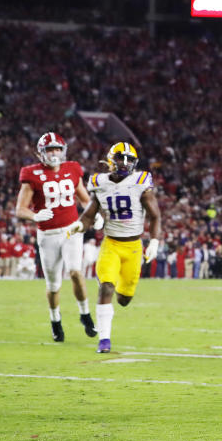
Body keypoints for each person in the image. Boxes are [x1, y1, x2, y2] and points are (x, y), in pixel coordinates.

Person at [67, 142, 161, 354]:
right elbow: (90, 215)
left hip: (134, 247)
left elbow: (155, 216)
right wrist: (79, 225)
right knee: (106, 287)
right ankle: (104, 340)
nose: (124, 163)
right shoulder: (100, 183)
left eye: (129, 159)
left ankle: (120, 293)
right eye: (120, 158)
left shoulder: (140, 182)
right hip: (111, 243)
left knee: (124, 299)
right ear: (110, 159)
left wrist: (154, 241)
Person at [15, 132, 100, 342]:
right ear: (40, 153)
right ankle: (55, 319)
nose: (54, 153)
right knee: (53, 286)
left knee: (75, 272)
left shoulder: (72, 168)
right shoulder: (31, 174)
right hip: (48, 234)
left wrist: (94, 216)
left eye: (57, 149)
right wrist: (35, 215)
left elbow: (84, 199)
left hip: (71, 230)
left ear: (63, 151)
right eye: (49, 149)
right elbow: (19, 209)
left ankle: (85, 314)